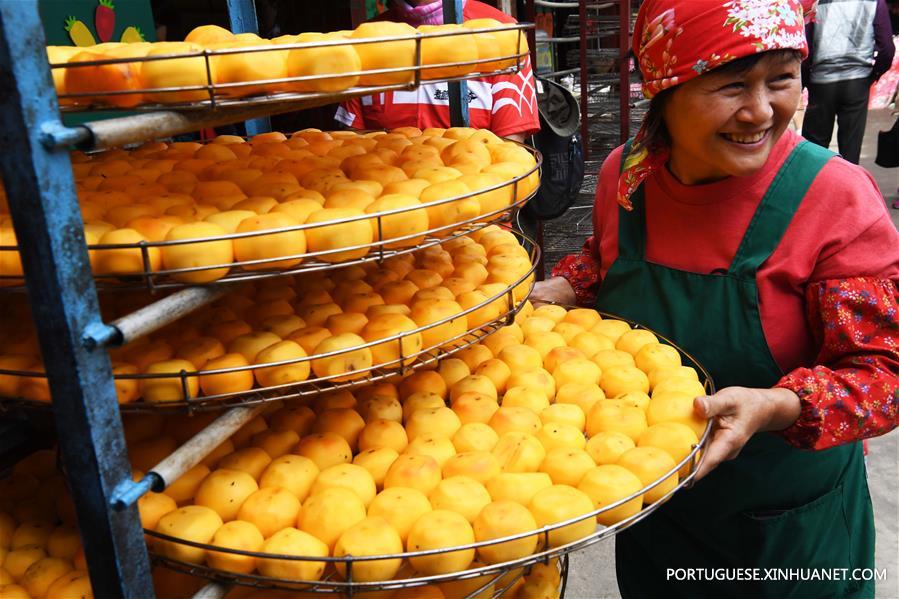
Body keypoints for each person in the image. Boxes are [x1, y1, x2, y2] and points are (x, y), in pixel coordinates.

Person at [531, 0, 899, 597]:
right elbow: (607, 259)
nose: (760, 111)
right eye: (731, 85)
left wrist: (776, 405)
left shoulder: (834, 199)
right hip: (657, 516)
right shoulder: (629, 177)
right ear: (665, 92)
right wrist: (568, 287)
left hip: (786, 536)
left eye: (781, 78)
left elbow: (884, 373)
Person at [335, 0, 540, 142]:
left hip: (471, 201)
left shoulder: (503, 34)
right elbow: (353, 147)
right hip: (384, 200)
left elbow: (510, 155)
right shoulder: (366, 40)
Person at [801, 0, 895, 163]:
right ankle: (848, 187)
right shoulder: (874, 3)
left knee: (814, 149)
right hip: (857, 82)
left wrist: (805, 82)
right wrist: (874, 75)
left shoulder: (816, 3)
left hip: (821, 83)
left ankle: (814, 185)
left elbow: (805, 47)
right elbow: (887, 48)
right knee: (851, 149)